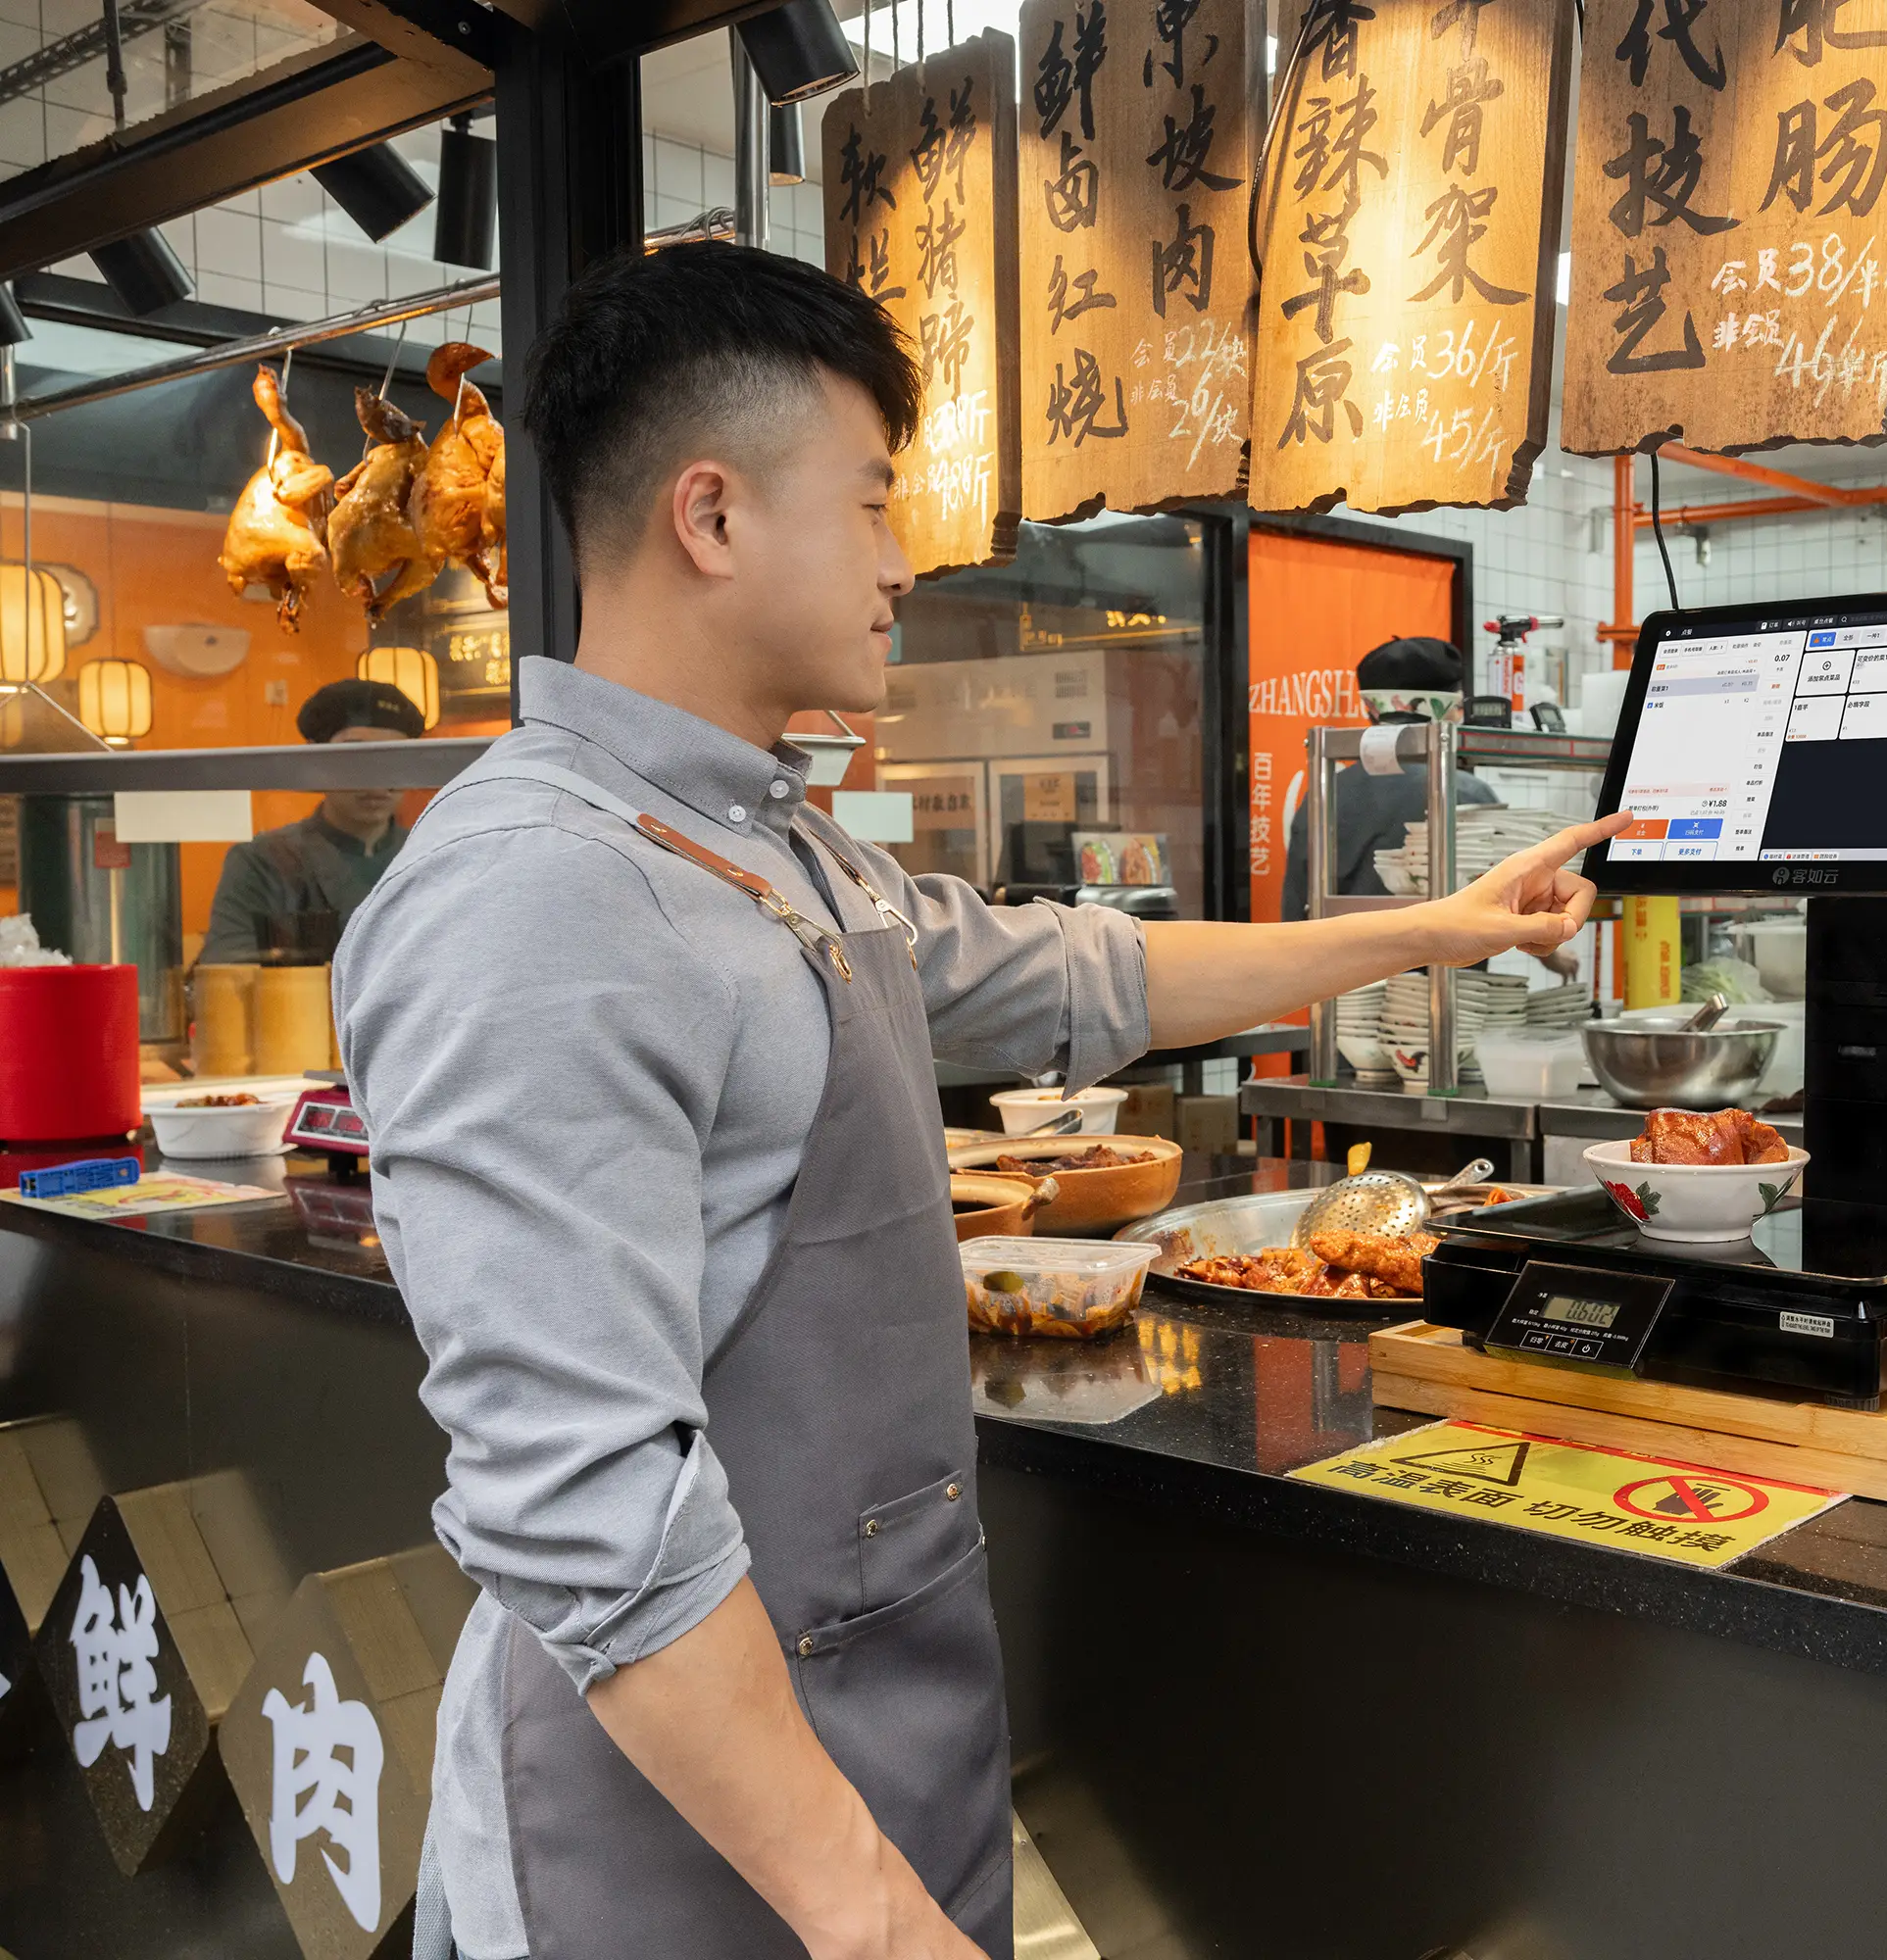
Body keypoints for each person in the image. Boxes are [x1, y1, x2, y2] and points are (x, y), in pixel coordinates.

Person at [335, 242, 1623, 1960]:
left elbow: (1087, 981)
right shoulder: (539, 897)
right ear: (708, 520)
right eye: (870, 506)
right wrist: (866, 1920)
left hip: (882, 1750)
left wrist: (1438, 925)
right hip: (673, 1859)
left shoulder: (771, 841)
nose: (897, 563)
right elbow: (588, 1510)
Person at [195, 677, 425, 962]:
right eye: (355, 757)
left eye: (394, 758)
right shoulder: (264, 861)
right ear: (317, 761)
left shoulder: (428, 854)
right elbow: (228, 969)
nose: (377, 782)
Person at [1276, 635, 1500, 920]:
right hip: (1445, 961)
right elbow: (1502, 897)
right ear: (1450, 707)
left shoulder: (1324, 794)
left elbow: (1295, 908)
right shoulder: (1466, 793)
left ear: (1369, 707)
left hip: (1339, 959)